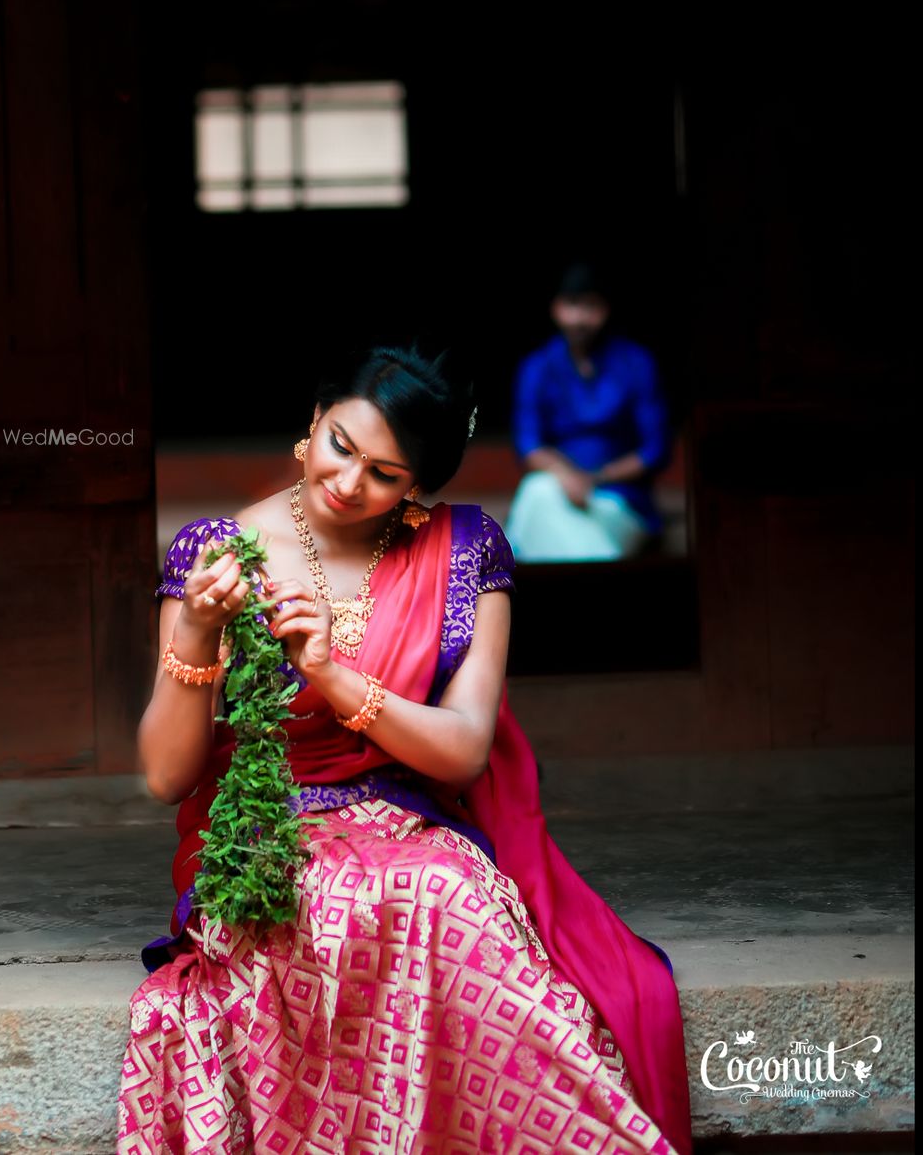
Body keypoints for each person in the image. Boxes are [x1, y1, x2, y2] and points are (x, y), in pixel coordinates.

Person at [117, 344, 692, 1155]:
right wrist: (198, 631)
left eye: (385, 475)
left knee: (443, 898)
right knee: (324, 911)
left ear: (417, 487)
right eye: (342, 446)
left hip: (412, 817)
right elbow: (165, 774)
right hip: (262, 832)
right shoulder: (216, 551)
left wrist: (329, 674)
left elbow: (462, 750)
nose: (349, 483)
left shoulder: (465, 551)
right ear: (314, 421)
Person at [504, 264, 672, 562]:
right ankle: (602, 564)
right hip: (558, 493)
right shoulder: (538, 367)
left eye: (590, 307)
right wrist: (567, 477)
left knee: (533, 505)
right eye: (572, 306)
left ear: (605, 310)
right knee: (538, 490)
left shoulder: (636, 363)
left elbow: (655, 450)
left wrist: (594, 479)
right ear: (556, 309)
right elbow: (528, 445)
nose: (580, 318)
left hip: (620, 502)